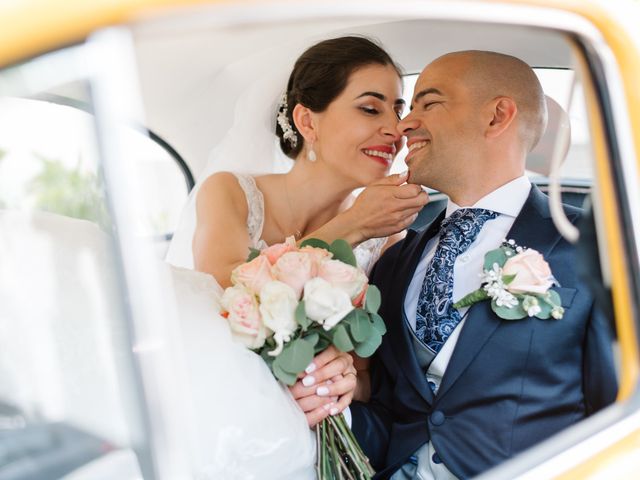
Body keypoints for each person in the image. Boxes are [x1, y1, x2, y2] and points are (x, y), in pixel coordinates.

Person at [165, 36, 427, 478]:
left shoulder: (388, 239)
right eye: (371, 108)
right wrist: (354, 225)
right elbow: (228, 293)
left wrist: (345, 382)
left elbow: (367, 373)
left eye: (398, 110)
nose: (396, 129)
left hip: (309, 434)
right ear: (307, 120)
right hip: (211, 411)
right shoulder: (232, 193)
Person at [348, 50, 618, 479]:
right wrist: (331, 410)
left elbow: (616, 410)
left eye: (428, 103)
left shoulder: (593, 246)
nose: (403, 125)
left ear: (497, 116)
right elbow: (391, 412)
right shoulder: (394, 262)